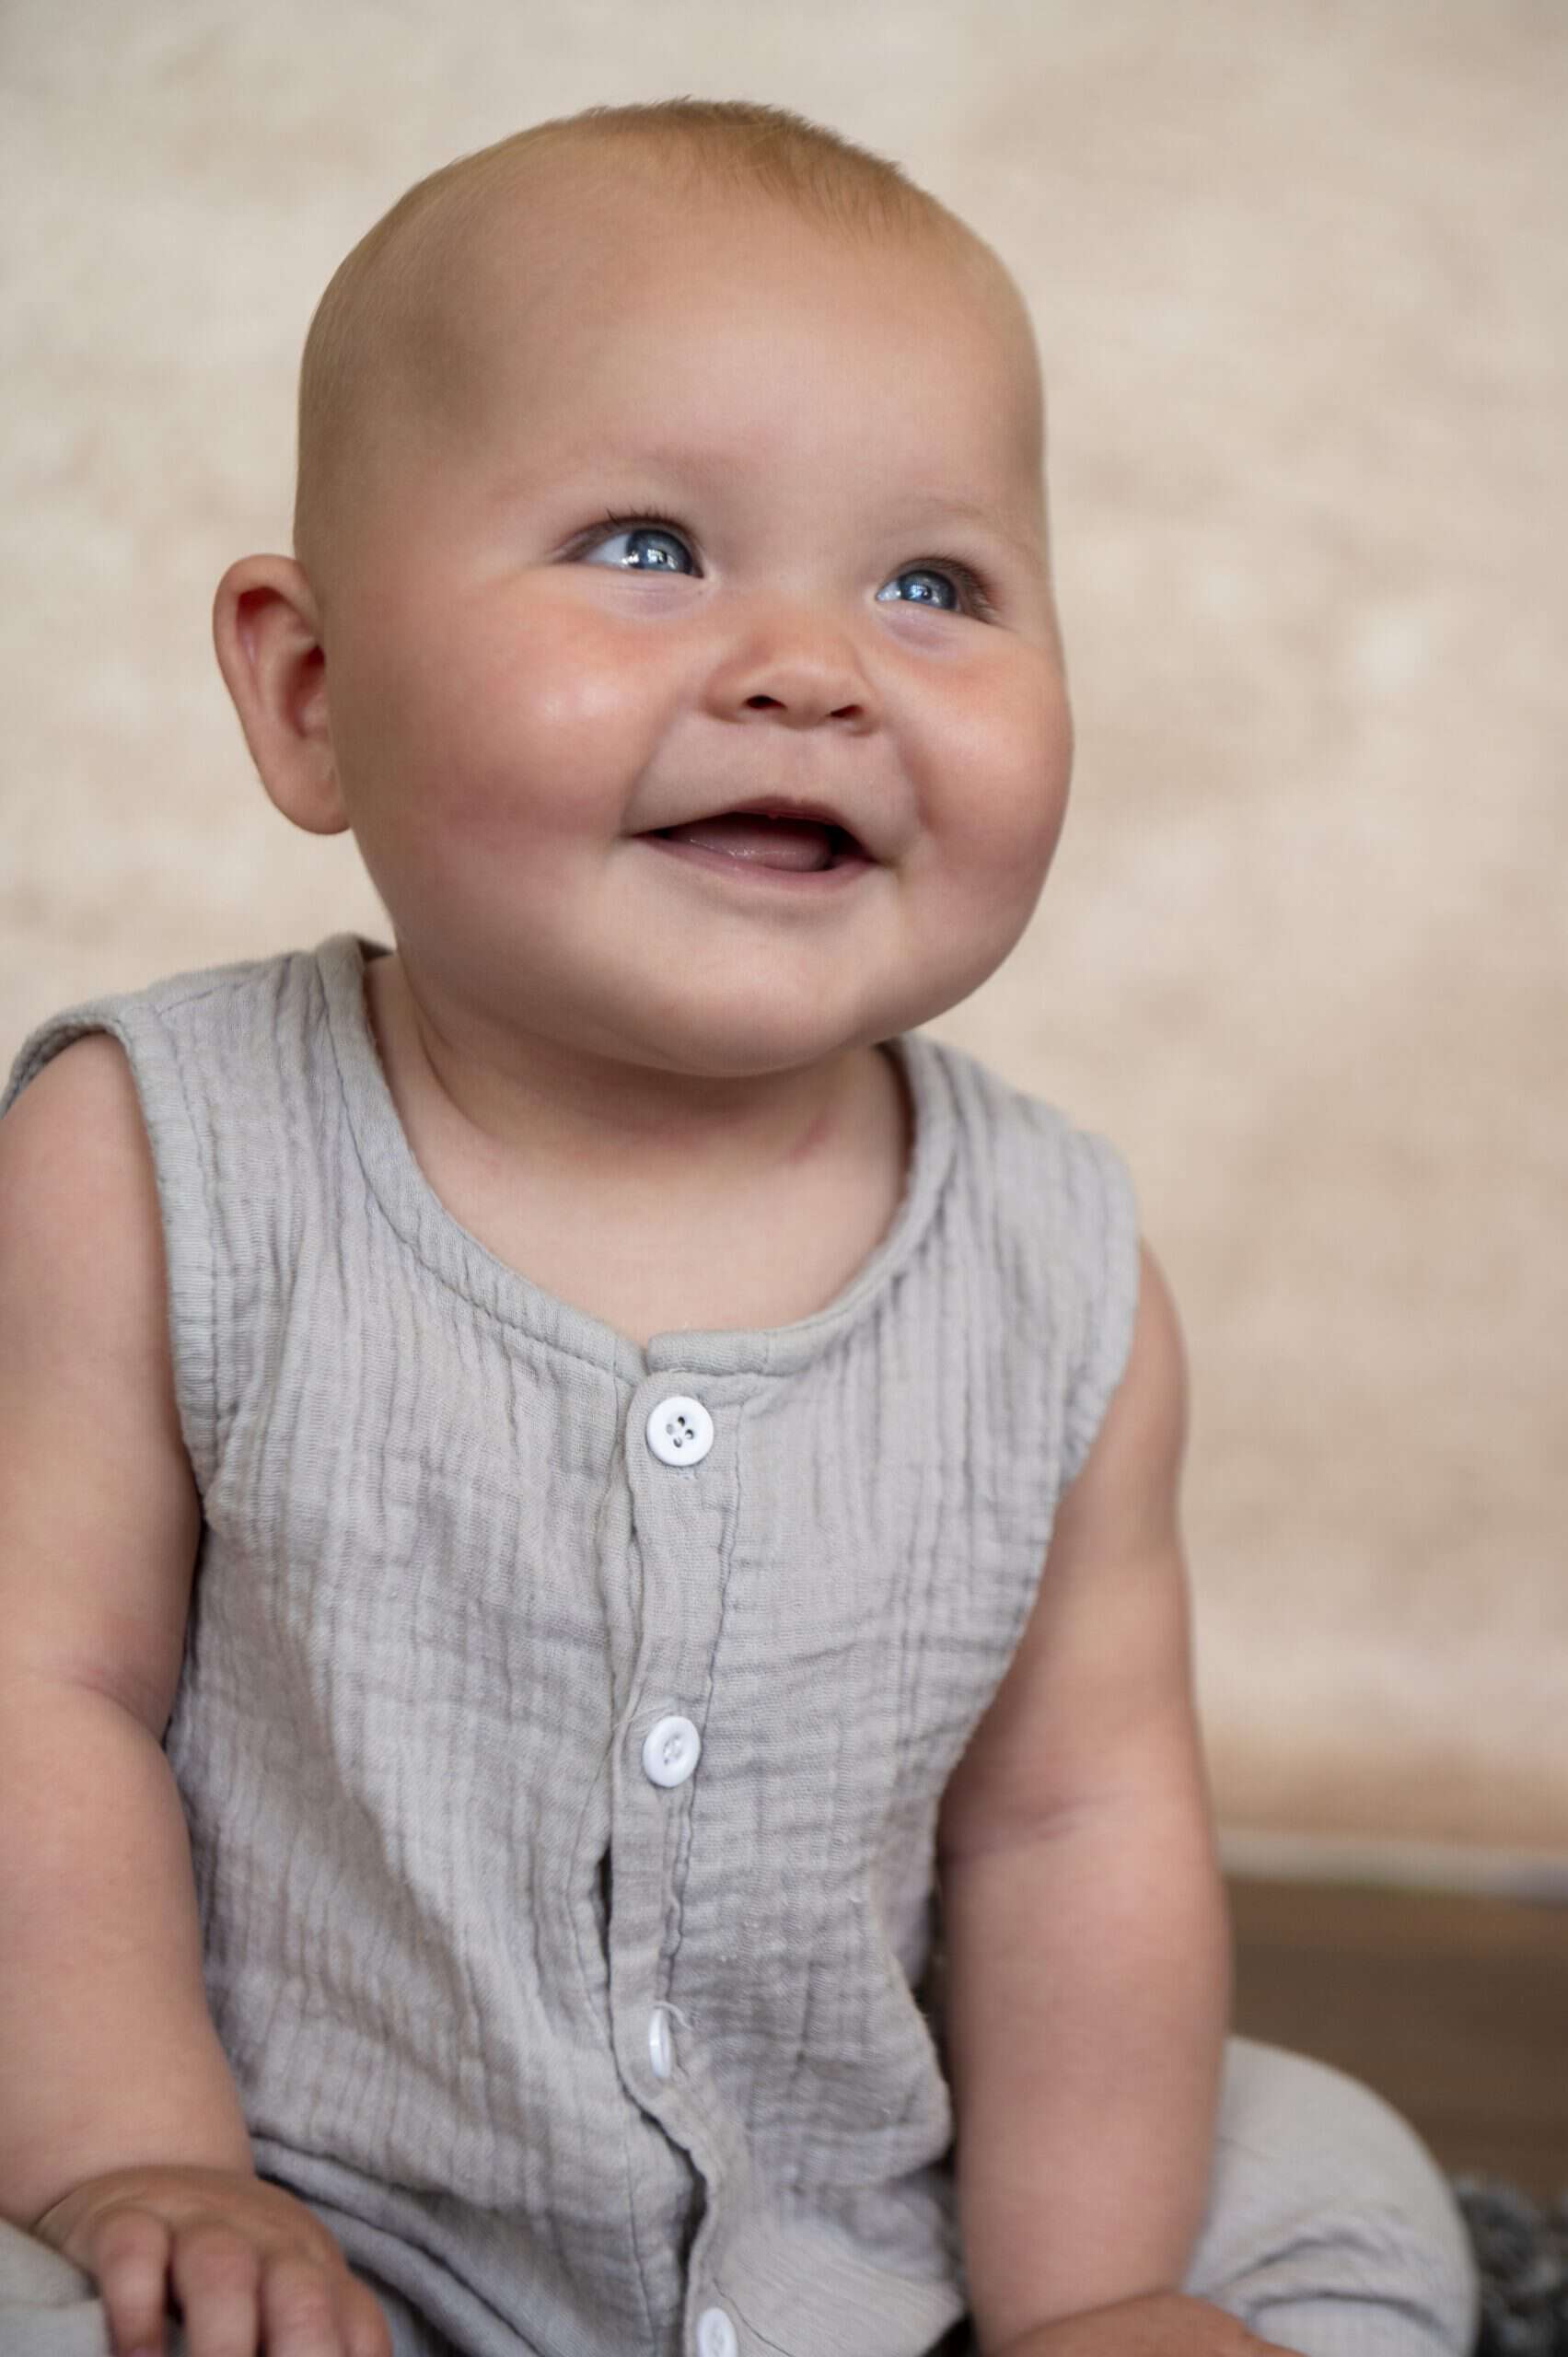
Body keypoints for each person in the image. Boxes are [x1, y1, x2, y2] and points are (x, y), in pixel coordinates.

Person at [0, 100, 1477, 2357]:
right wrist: (142, 2157)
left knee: (1340, 2194)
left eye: (934, 585)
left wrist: (1089, 2296)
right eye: (647, 544)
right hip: (312, 2215)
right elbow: (45, 1692)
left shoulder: (1055, 1271)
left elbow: (1074, 1824)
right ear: (313, 692)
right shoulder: (160, 1155)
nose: (815, 666)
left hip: (845, 2225)